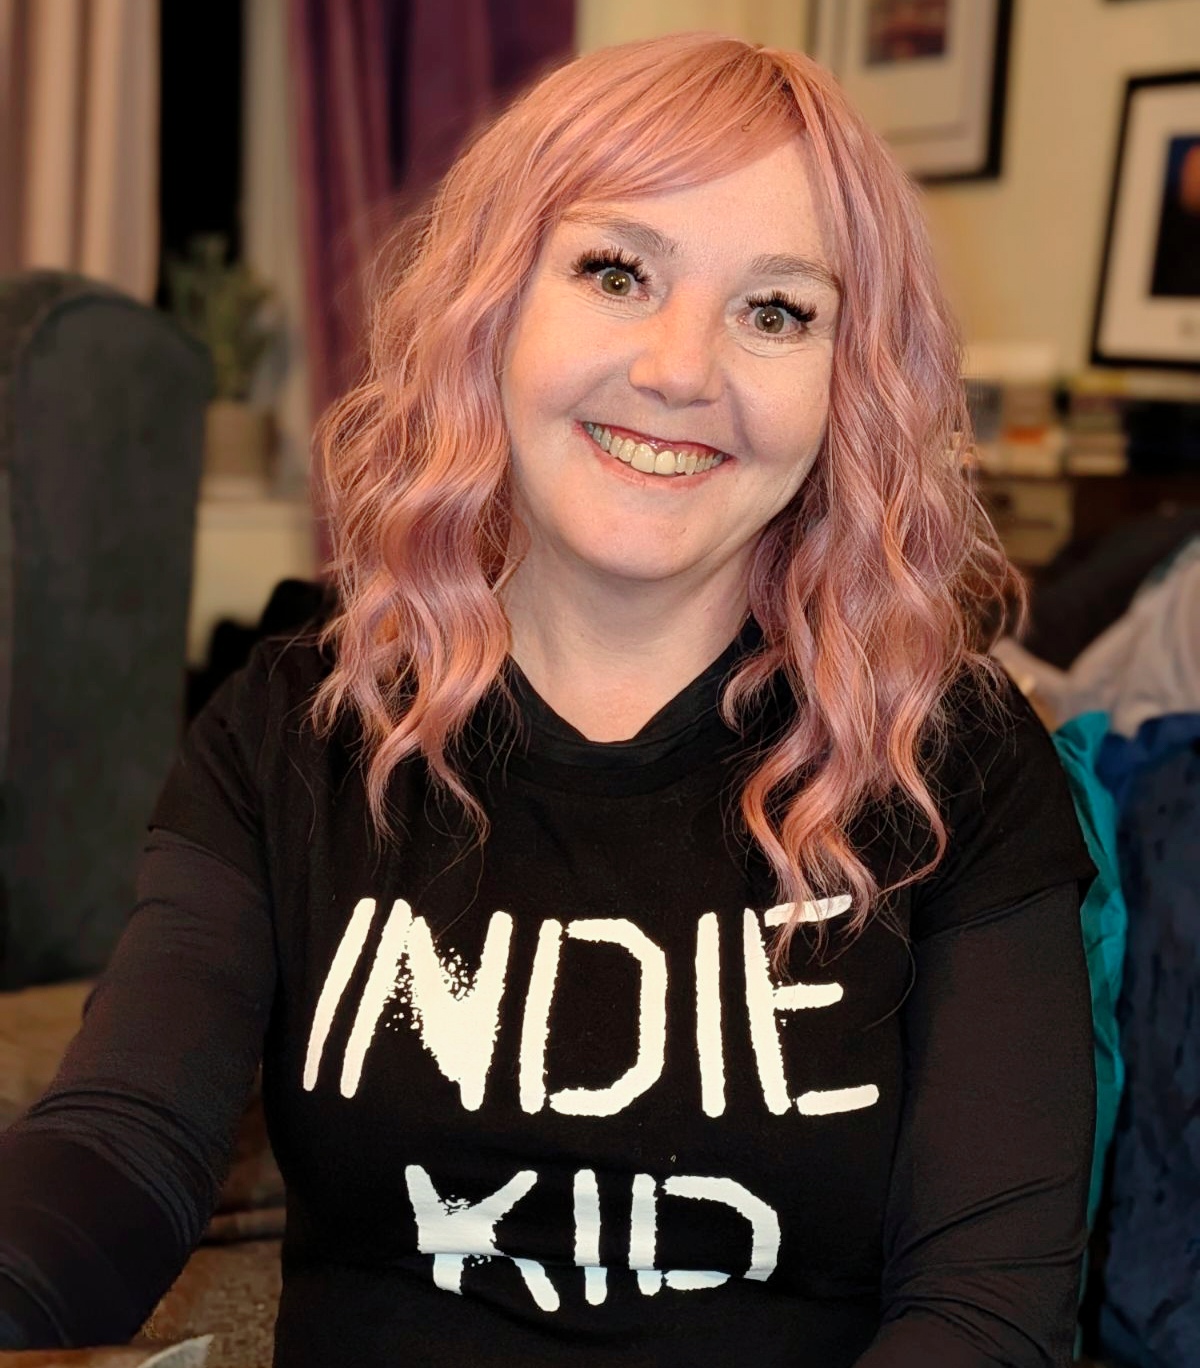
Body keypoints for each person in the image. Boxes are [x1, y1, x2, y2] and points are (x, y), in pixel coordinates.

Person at [0, 31, 1096, 1367]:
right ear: (493, 304)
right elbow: (119, 1150)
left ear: (848, 385)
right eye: (617, 271)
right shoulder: (298, 725)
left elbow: (988, 1315)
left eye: (777, 310)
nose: (681, 369)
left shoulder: (957, 767)